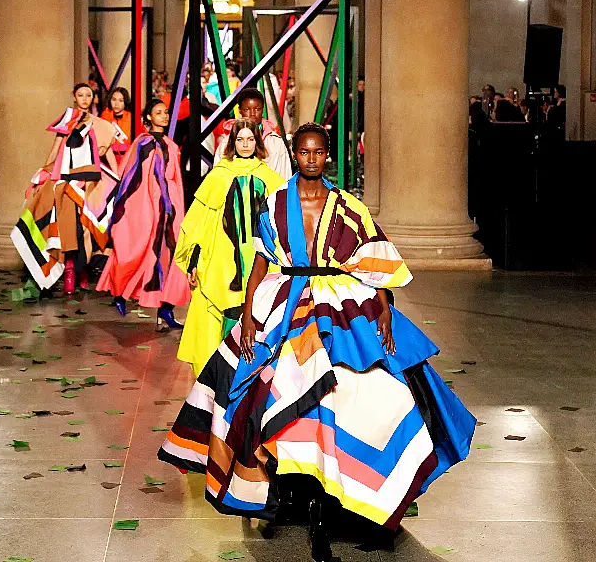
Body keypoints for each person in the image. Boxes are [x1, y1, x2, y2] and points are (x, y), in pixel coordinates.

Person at [157, 123, 476, 562]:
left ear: (328, 154)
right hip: (284, 299)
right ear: (295, 153)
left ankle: (362, 501)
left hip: (342, 301)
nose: (310, 158)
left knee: (373, 392)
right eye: (303, 152)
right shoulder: (275, 203)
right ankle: (286, 495)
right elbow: (259, 262)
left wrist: (384, 306)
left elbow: (374, 257)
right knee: (263, 389)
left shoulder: (348, 206)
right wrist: (248, 314)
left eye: (318, 152)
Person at [175, 118, 285, 376]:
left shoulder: (270, 178)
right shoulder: (219, 176)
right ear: (232, 143)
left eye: (250, 139)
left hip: (261, 257)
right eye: (240, 139)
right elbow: (200, 221)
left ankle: (253, 371)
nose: (245, 145)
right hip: (223, 256)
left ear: (257, 142)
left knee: (260, 310)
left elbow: (283, 221)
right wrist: (194, 260)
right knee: (228, 307)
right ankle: (227, 369)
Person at [10, 83, 120, 294]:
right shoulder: (67, 120)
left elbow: (108, 153)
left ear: (93, 98)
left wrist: (118, 178)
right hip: (66, 179)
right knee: (66, 226)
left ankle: (83, 269)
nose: (85, 99)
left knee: (89, 228)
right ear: (74, 97)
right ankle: (70, 271)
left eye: (88, 95)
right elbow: (56, 149)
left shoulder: (101, 125)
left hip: (91, 180)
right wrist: (43, 172)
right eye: (81, 95)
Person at [96, 100, 189, 328]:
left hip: (172, 204)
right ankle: (120, 291)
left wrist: (176, 206)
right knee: (138, 249)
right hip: (147, 203)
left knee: (174, 254)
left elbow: (175, 177)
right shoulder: (144, 142)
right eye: (158, 113)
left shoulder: (171, 144)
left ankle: (166, 309)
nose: (164, 116)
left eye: (166, 112)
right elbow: (132, 176)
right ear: (148, 118)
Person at [213, 88, 292, 179]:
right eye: (247, 109)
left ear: (263, 109)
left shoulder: (275, 142)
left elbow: (285, 175)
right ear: (240, 110)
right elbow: (217, 175)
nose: (252, 114)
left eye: (257, 109)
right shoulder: (227, 142)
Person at [99, 87, 133, 168]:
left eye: (120, 101)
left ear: (125, 102)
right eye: (114, 100)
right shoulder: (104, 117)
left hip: (128, 159)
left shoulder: (132, 119)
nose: (116, 104)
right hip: (107, 159)